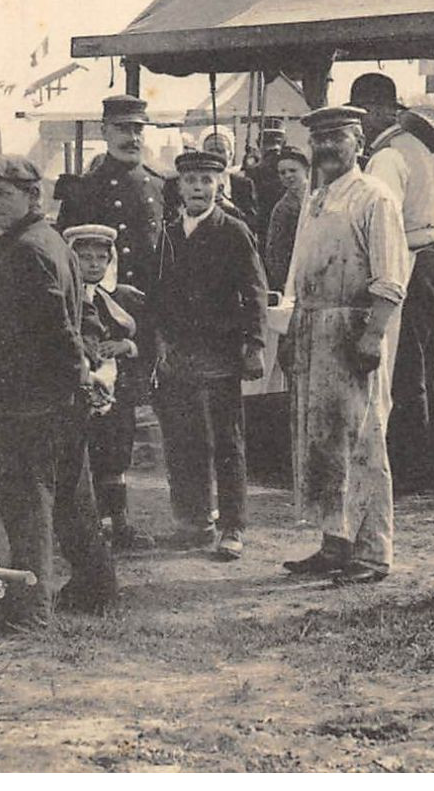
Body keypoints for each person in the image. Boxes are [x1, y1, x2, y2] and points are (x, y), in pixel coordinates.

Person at [0, 155, 117, 624]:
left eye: (4, 195)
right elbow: (79, 316)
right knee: (73, 498)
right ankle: (96, 587)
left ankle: (29, 605)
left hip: (32, 396)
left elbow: (58, 323)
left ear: (32, 195)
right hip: (57, 395)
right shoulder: (48, 240)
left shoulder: (27, 249)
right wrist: (83, 370)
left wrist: (76, 368)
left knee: (26, 502)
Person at [281, 106, 410, 586]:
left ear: (359, 142)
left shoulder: (375, 197)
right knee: (322, 442)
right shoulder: (315, 200)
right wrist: (294, 332)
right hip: (315, 328)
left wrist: (373, 335)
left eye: (338, 138)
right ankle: (334, 542)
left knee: (363, 440)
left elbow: (391, 278)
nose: (328, 148)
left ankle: (373, 552)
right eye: (320, 140)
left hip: (355, 328)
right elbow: (299, 277)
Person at [153, 150, 268, 560]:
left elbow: (254, 292)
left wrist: (254, 344)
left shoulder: (233, 231)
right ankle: (194, 521)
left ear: (220, 185)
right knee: (186, 440)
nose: (198, 188)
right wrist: (160, 341)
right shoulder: (167, 234)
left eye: (206, 180)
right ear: (179, 187)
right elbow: (159, 294)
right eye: (190, 181)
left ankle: (232, 526)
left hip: (220, 353)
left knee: (227, 440)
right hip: (179, 355)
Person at [365, 104, 434, 475]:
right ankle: (423, 457)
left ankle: (405, 463)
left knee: (403, 365)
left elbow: (381, 220)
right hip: (433, 260)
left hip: (411, 261)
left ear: (381, 114)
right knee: (421, 362)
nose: (363, 122)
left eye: (365, 113)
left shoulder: (389, 156)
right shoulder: (420, 151)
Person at [65, 224, 155, 551]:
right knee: (84, 456)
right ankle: (92, 527)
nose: (93, 264)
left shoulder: (124, 297)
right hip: (79, 390)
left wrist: (126, 346)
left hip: (118, 394)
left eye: (100, 258)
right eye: (84, 257)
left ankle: (120, 524)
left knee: (115, 456)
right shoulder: (65, 297)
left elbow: (149, 337)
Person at [55, 95, 167, 292]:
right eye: (122, 129)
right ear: (104, 132)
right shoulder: (83, 190)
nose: (133, 138)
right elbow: (66, 258)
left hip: (154, 303)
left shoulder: (161, 187)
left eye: (138, 130)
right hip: (104, 302)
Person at [261, 145, 311, 292]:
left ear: (306, 169)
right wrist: (283, 280)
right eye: (282, 173)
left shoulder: (323, 197)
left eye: (293, 170)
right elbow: (274, 251)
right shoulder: (282, 209)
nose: (288, 176)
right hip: (295, 276)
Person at [246, 117, 292, 241]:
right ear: (284, 142)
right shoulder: (293, 167)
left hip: (262, 226)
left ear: (258, 142)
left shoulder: (253, 169)